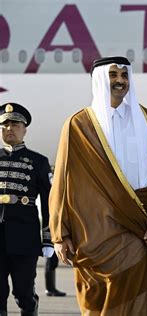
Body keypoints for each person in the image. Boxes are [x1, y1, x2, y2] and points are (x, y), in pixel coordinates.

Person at [49, 56, 147, 315]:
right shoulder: (78, 125)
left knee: (138, 296)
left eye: (124, 76)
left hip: (138, 230)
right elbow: (62, 182)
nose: (120, 81)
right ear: (99, 80)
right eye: (113, 75)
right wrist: (60, 235)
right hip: (94, 234)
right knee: (100, 302)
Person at [0, 102, 54, 316]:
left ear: (24, 129)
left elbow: (49, 202)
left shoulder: (38, 162)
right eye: (4, 125)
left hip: (24, 237)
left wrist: (48, 237)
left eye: (15, 125)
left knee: (23, 292)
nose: (9, 129)